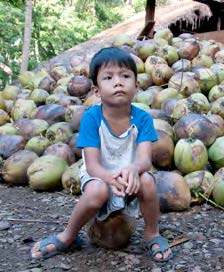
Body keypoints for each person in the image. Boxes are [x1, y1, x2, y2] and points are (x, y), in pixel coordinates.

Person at [30, 47, 173, 262]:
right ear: (96, 91)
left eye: (125, 76)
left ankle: (152, 233)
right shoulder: (91, 118)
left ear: (137, 85)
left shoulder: (143, 119)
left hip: (130, 175)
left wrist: (133, 169)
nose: (118, 82)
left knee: (148, 182)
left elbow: (144, 159)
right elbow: (93, 165)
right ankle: (69, 235)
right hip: (100, 175)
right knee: (97, 191)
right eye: (108, 77)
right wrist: (109, 179)